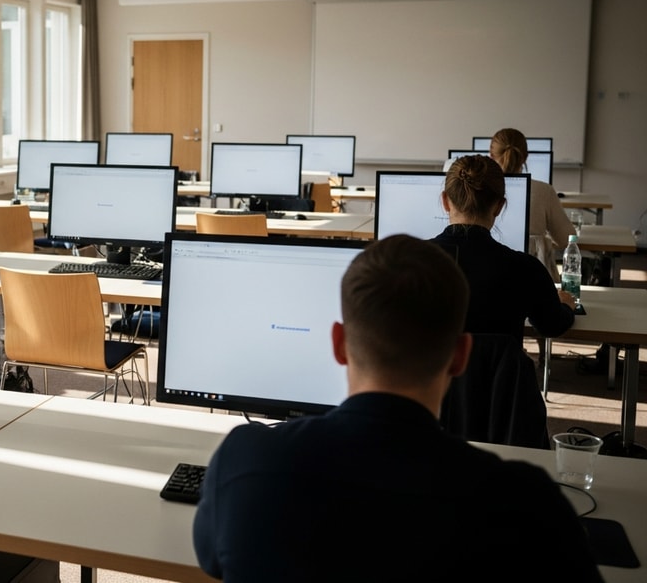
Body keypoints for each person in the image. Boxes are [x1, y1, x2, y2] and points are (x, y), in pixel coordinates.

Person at [192, 234, 601, 582]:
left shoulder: (243, 461)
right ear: (460, 356)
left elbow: (212, 558)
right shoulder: (528, 506)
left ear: (338, 344)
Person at [430, 154, 574, 341]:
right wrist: (565, 306)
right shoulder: (526, 268)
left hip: (427, 370)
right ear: (499, 206)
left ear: (445, 201)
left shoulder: (409, 262)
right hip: (499, 370)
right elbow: (552, 326)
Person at [489, 127, 576, 282]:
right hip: (536, 284)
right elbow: (566, 239)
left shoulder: (482, 190)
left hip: (490, 279)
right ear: (526, 157)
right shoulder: (544, 191)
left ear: (490, 155)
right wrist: (541, 240)